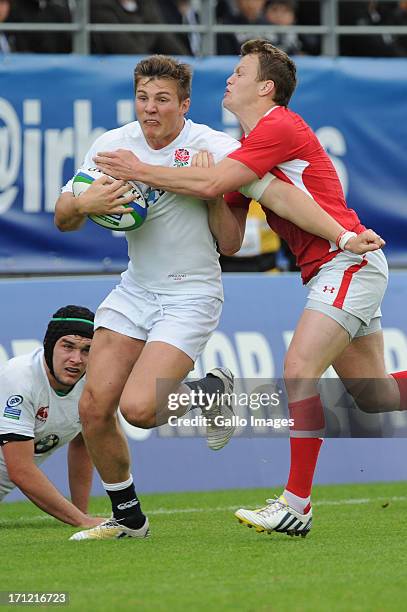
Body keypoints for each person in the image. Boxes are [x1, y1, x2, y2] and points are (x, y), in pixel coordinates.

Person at [93, 40, 407, 539]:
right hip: (336, 263)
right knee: (375, 395)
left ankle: (295, 505)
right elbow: (231, 238)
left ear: (266, 87)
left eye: (240, 72)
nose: (229, 79)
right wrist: (212, 192)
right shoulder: (243, 151)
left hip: (346, 261)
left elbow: (211, 182)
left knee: (299, 370)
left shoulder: (278, 125)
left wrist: (141, 170)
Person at [0, 305, 102, 528]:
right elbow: (20, 470)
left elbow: (84, 442)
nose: (76, 359)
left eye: (86, 350)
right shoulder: (19, 378)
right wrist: (81, 521)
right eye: (68, 346)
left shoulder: (92, 383)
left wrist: (81, 511)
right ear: (49, 345)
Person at [90, 0, 189, 56]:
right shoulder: (99, 4)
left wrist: (187, 63)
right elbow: (124, 48)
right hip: (117, 75)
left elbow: (164, 37)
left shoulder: (146, 3)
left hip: (147, 72)